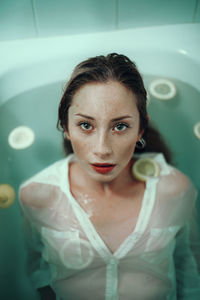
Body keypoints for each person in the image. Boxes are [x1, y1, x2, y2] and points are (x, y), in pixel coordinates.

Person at [19, 53, 200, 300]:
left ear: (140, 129)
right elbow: (38, 269)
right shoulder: (37, 196)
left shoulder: (174, 190)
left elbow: (188, 266)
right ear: (66, 127)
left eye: (120, 126)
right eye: (86, 125)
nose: (102, 149)